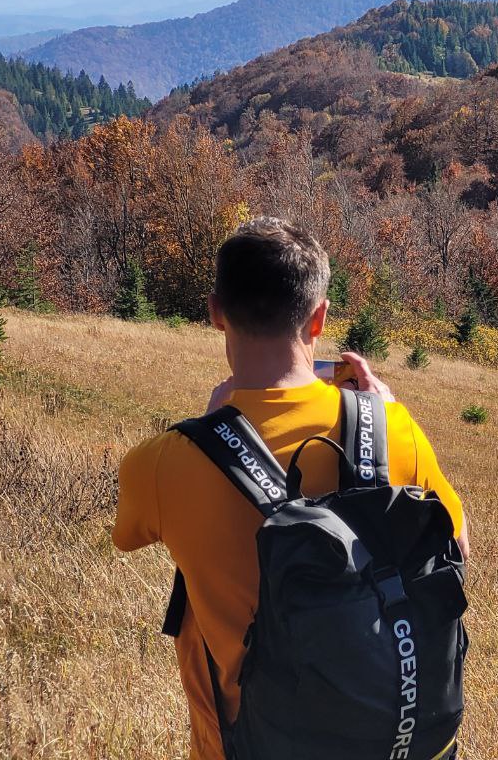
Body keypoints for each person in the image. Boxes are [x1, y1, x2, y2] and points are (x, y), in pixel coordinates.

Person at [113, 217, 468, 760]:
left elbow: (126, 534)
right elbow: (456, 551)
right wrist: (389, 413)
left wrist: (210, 430)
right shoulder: (395, 430)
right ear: (319, 317)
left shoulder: (163, 465)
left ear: (215, 312)